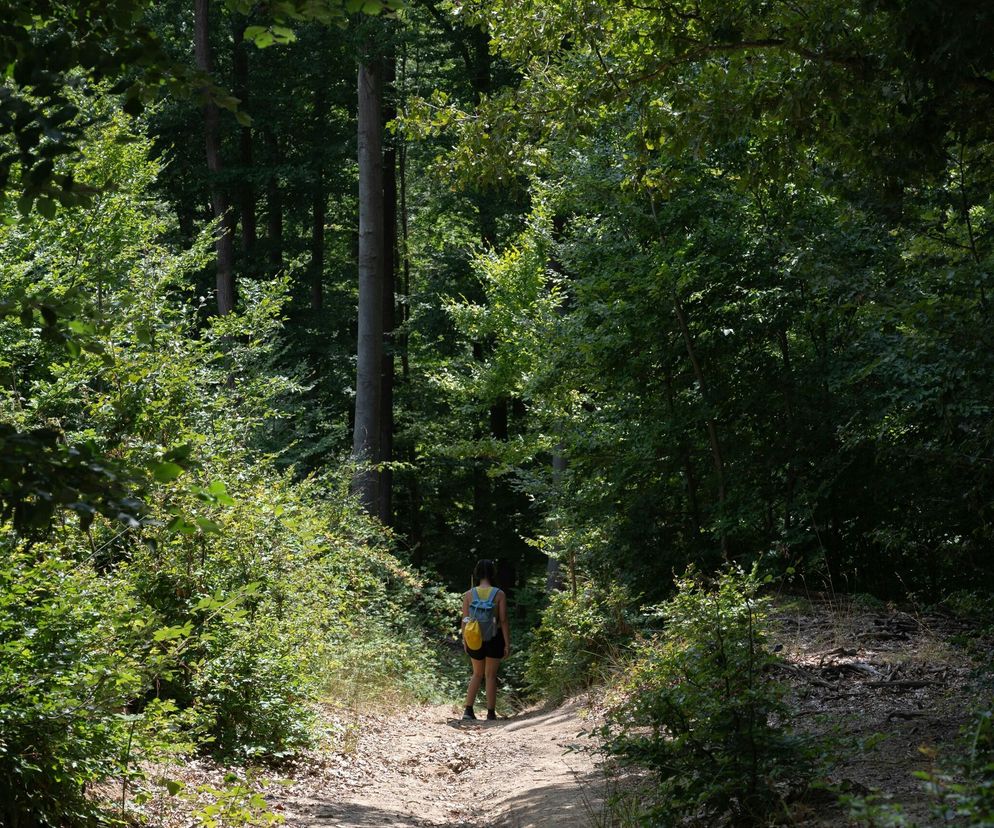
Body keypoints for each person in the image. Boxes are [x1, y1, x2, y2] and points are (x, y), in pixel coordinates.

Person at [460, 559, 510, 720]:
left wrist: (464, 640)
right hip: (494, 637)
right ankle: (490, 713)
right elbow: (503, 620)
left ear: (477, 573)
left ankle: (468, 711)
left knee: (477, 674)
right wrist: (507, 643)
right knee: (490, 675)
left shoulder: (469, 594)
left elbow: (465, 620)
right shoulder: (499, 594)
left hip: (474, 637)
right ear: (493, 573)